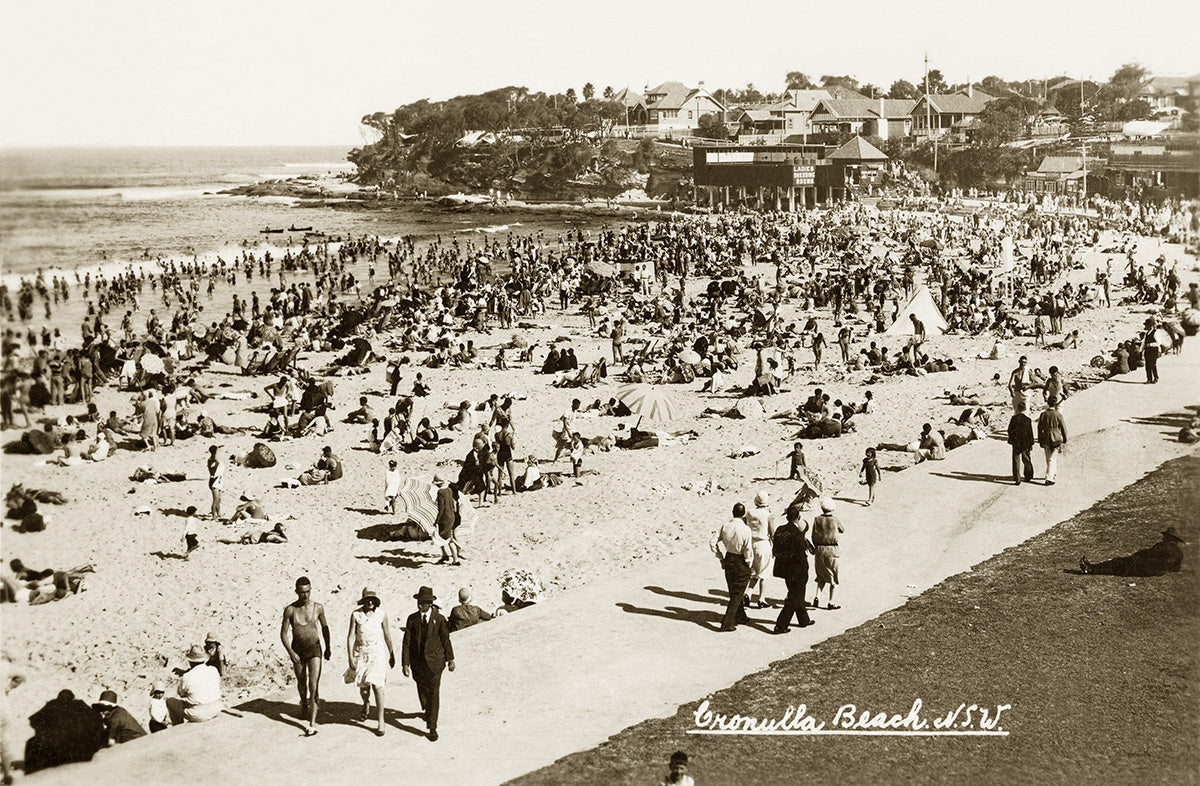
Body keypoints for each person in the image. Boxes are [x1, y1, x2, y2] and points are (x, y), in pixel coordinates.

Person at [401, 585, 455, 742]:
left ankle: (432, 727)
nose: (420, 605)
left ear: (430, 603)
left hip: (435, 663)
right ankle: (427, 709)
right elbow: (406, 642)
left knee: (434, 693)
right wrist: (405, 663)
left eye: (424, 602)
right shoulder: (412, 619)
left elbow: (446, 640)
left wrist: (451, 659)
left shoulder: (439, 619)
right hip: (418, 664)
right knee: (421, 688)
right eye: (419, 602)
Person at [281, 576, 331, 736]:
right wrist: (291, 652)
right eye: (302, 592)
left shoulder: (318, 607)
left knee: (313, 685)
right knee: (302, 683)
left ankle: (312, 723)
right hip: (298, 650)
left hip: (314, 649)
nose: (305, 595)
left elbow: (325, 627)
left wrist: (328, 647)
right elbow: (283, 634)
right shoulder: (290, 610)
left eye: (308, 592)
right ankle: (303, 702)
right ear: (296, 591)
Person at [24, 689, 106, 774]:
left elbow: (34, 720)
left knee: (31, 744)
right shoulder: (80, 705)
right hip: (80, 749)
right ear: (72, 698)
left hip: (56, 750)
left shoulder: (52, 705)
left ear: (59, 698)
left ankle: (32, 774)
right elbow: (96, 719)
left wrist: (44, 730)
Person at [347, 587, 394, 737]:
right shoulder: (356, 615)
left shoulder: (381, 615)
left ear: (375, 601)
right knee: (364, 687)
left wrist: (391, 653)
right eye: (367, 600)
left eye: (372, 600)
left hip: (377, 652)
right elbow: (350, 637)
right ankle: (366, 703)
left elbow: (387, 635)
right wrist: (350, 657)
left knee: (378, 686)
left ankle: (381, 720)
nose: (370, 602)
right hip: (361, 653)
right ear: (363, 601)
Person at [710, 502, 753, 632]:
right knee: (737, 592)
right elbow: (747, 549)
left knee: (733, 588)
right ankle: (727, 622)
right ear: (743, 514)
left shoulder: (725, 526)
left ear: (733, 512)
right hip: (740, 560)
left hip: (729, 558)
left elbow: (712, 542)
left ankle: (741, 616)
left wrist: (721, 557)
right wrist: (749, 562)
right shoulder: (746, 529)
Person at [772, 505, 815, 634]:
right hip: (798, 569)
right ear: (798, 518)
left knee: (797, 594)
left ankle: (804, 620)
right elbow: (801, 555)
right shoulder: (797, 535)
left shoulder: (780, 530)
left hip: (785, 569)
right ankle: (781, 625)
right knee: (793, 597)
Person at [1080, 527, 1185, 576]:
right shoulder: (1179, 553)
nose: (1163, 539)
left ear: (1169, 538)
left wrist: (1139, 554)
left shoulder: (1163, 546)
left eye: (1165, 537)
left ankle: (1090, 569)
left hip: (1144, 568)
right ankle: (1090, 568)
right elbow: (1175, 569)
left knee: (1117, 564)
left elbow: (1149, 553)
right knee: (1119, 566)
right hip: (1156, 572)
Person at [167, 645, 222, 723]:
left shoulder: (187, 676)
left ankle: (178, 726)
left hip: (198, 714)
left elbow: (181, 694)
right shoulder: (213, 670)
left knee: (170, 701)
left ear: (190, 661)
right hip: (216, 708)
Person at [811, 499, 843, 610]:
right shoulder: (835, 520)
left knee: (821, 575)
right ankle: (831, 602)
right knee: (833, 577)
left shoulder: (817, 519)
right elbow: (842, 530)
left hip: (819, 549)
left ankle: (817, 597)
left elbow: (813, 536)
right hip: (831, 549)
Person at [745, 492, 776, 609]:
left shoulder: (749, 513)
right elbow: (772, 532)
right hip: (763, 543)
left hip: (751, 543)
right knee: (764, 573)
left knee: (754, 572)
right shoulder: (768, 515)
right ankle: (762, 598)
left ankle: (748, 593)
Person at [1037, 396, 1067, 486]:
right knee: (1052, 458)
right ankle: (1051, 476)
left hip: (1046, 437)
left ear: (1048, 403)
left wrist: (1040, 439)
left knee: (1049, 458)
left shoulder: (1043, 414)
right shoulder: (1058, 414)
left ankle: (1050, 475)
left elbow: (1039, 428)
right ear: (1055, 404)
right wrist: (1065, 439)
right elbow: (1063, 428)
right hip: (1056, 438)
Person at [433, 475, 462, 566]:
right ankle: (445, 555)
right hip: (451, 515)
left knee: (447, 539)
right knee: (441, 537)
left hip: (444, 517)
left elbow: (441, 508)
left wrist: (437, 521)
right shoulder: (449, 490)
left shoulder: (440, 492)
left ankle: (455, 560)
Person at [1007, 401, 1035, 485]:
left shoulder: (1014, 418)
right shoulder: (1028, 420)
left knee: (1016, 460)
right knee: (1026, 459)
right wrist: (1031, 443)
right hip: (1025, 443)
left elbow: (1009, 430)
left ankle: (1017, 477)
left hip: (1016, 442)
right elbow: (1030, 433)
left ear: (1018, 409)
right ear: (1025, 409)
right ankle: (1028, 476)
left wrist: (1012, 439)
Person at [207, 445, 224, 520]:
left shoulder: (216, 459)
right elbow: (214, 457)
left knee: (219, 499)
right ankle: (214, 516)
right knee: (215, 499)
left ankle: (219, 513)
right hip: (214, 481)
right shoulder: (212, 460)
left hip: (219, 480)